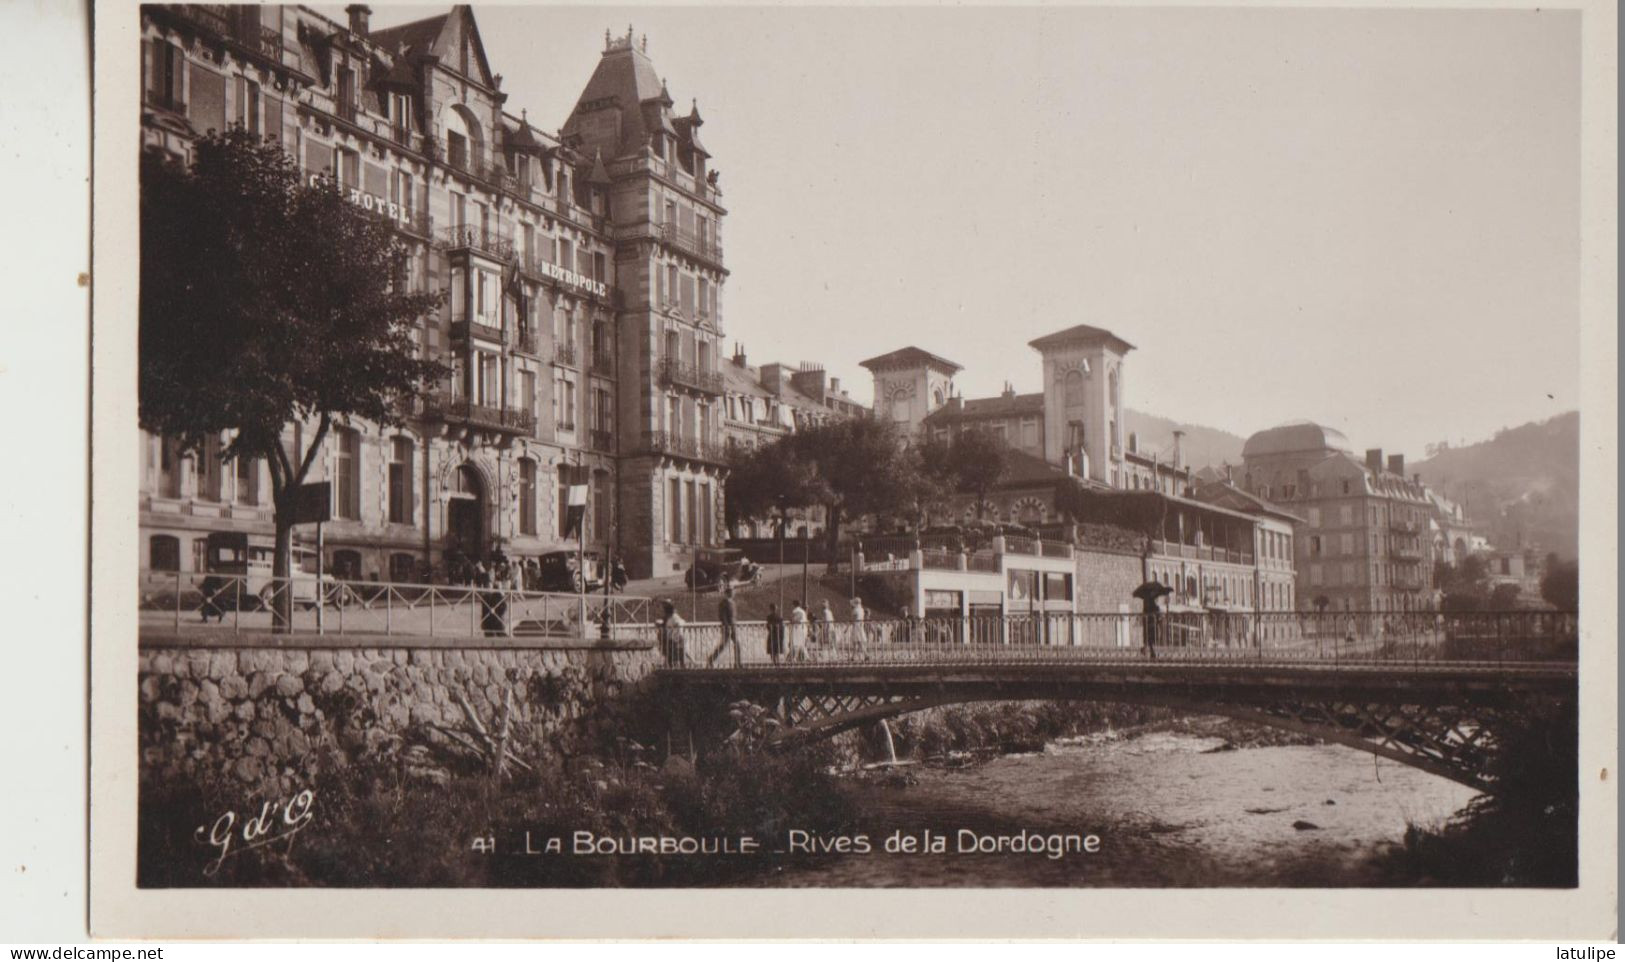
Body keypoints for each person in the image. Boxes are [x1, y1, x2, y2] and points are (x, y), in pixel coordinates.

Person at [708, 586, 742, 667]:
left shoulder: (732, 602)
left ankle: (737, 663)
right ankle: (711, 659)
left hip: (733, 626)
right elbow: (723, 616)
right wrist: (727, 626)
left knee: (737, 644)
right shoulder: (723, 603)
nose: (733, 594)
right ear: (726, 593)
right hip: (727, 627)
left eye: (733, 592)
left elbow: (733, 616)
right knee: (723, 645)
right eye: (731, 592)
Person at [658, 599, 687, 667]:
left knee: (679, 656)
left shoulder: (674, 617)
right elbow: (663, 624)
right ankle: (670, 667)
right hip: (670, 640)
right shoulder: (667, 618)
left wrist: (675, 625)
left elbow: (681, 622)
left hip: (676, 639)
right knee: (670, 656)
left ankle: (681, 668)